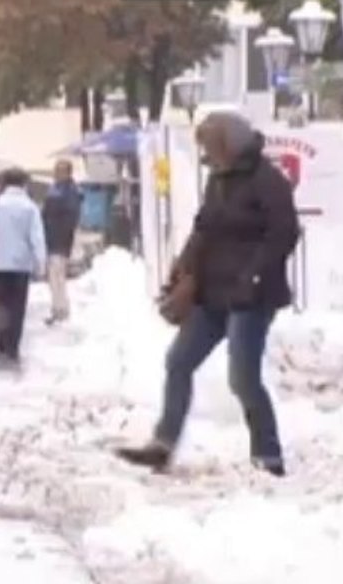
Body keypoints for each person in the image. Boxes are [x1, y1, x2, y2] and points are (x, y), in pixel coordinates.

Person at [117, 112, 298, 477]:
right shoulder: (218, 180)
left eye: (210, 147)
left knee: (243, 379)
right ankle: (163, 444)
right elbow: (204, 227)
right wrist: (184, 264)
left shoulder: (268, 181)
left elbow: (284, 233)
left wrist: (255, 275)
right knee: (179, 361)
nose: (207, 155)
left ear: (230, 144)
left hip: (250, 296)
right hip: (211, 292)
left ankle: (269, 456)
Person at [0, 168, 46, 366]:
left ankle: (1, 340)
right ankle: (13, 345)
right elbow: (37, 237)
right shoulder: (30, 207)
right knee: (17, 305)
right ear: (24, 184)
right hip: (21, 265)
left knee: (0, 303)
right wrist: (40, 262)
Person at [41, 159, 82, 325]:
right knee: (54, 276)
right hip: (53, 239)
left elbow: (70, 218)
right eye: (56, 169)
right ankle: (58, 308)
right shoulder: (56, 190)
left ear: (68, 172)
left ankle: (60, 310)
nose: (56, 173)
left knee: (57, 276)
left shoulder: (68, 192)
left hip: (59, 239)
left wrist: (62, 236)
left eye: (60, 170)